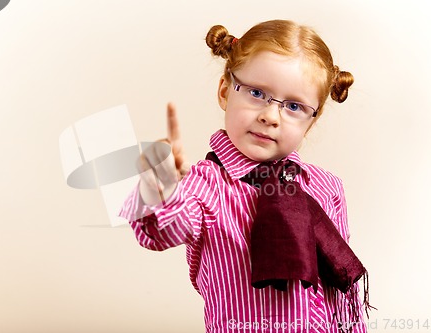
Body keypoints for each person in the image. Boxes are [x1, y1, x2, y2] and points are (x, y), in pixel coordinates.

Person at [120, 19, 369, 333]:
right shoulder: (203, 185)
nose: (270, 116)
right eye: (256, 93)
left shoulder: (325, 186)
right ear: (225, 91)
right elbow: (163, 232)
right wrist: (161, 190)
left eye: (293, 106)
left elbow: (342, 289)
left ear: (312, 120)